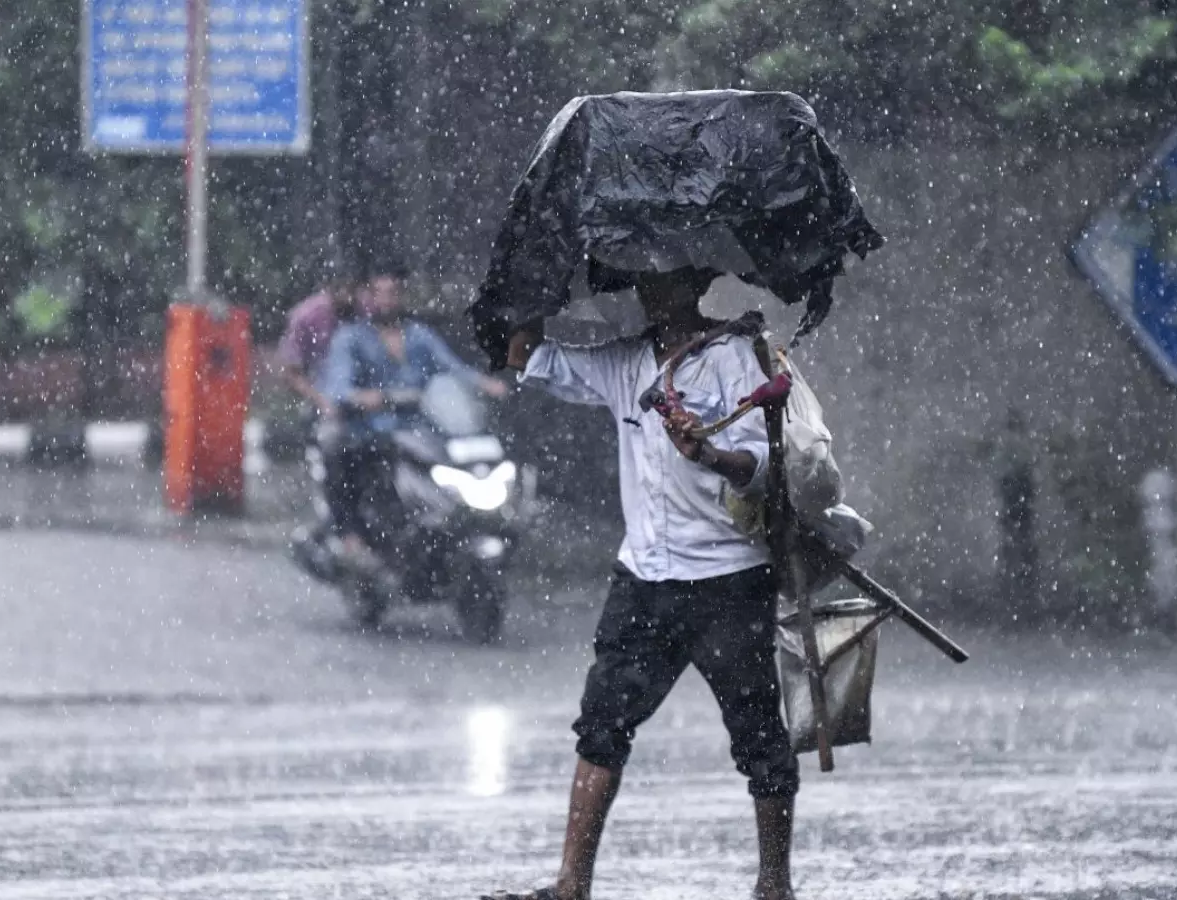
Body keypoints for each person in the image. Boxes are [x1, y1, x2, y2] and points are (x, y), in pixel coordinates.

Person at [485, 268, 798, 900]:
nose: (653, 291)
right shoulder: (624, 364)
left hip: (727, 580)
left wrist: (708, 455)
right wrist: (527, 289)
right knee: (601, 725)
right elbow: (525, 357)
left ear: (697, 282)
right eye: (645, 280)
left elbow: (762, 462)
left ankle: (774, 883)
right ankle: (572, 884)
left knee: (759, 735)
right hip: (645, 578)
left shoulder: (735, 359)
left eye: (667, 278)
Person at [317, 266, 510, 570]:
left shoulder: (420, 336)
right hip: (371, 433)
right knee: (343, 459)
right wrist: (365, 398)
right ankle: (351, 536)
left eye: (393, 293)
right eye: (379, 293)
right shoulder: (351, 338)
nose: (386, 301)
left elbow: (452, 368)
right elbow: (337, 389)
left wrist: (487, 385)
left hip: (419, 432)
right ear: (367, 296)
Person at [275, 269, 360, 414]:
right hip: (319, 397)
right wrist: (321, 401)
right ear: (330, 288)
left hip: (360, 395)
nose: (349, 298)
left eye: (353, 290)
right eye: (343, 289)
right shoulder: (307, 317)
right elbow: (290, 372)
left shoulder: (365, 307)